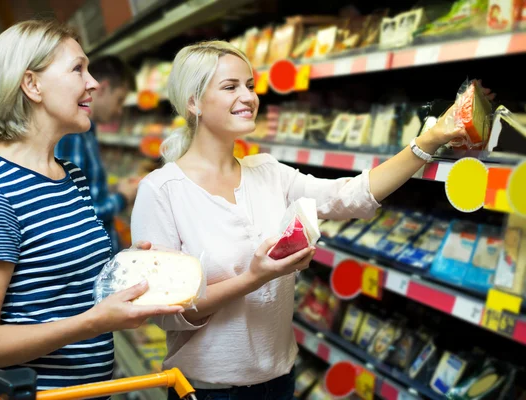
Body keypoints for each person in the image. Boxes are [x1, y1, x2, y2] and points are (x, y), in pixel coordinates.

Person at [130, 41, 495, 400]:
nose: (249, 97)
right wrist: (255, 277)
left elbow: (349, 195)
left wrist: (429, 140)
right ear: (193, 102)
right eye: (230, 87)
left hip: (280, 379)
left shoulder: (267, 172)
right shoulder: (161, 191)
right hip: (206, 390)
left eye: (250, 85)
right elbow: (166, 311)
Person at [0, 20, 182, 400]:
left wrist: (130, 270)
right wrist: (91, 323)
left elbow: (58, 287)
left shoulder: (68, 174)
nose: (92, 83)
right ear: (32, 85)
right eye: (78, 69)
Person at [55, 55, 138, 255]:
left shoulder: (87, 131)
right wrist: (121, 198)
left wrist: (110, 188)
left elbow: (84, 189)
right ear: (104, 88)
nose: (119, 111)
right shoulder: (74, 134)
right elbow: (76, 214)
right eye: (119, 100)